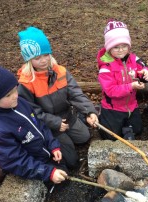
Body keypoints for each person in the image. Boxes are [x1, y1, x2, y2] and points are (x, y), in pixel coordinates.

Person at [0, 63, 68, 185]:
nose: (15, 96)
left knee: (69, 164)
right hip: (34, 165)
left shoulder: (20, 103)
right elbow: (15, 161)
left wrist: (53, 145)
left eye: (15, 89)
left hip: (47, 153)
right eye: (8, 95)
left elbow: (40, 125)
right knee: (61, 184)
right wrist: (47, 172)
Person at [17, 26, 98, 168]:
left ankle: (76, 122)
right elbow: (31, 112)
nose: (43, 60)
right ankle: (50, 141)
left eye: (46, 55)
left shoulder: (60, 71)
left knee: (84, 137)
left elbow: (76, 94)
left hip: (67, 116)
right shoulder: (26, 83)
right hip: (49, 125)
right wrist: (54, 123)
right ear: (29, 60)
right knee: (71, 161)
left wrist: (89, 111)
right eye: (37, 58)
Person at [96, 19, 148, 140]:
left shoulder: (134, 58)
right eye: (116, 47)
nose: (121, 50)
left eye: (124, 46)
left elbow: (147, 70)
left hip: (131, 105)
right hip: (112, 107)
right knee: (109, 136)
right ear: (108, 48)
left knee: (138, 129)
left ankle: (127, 126)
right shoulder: (106, 67)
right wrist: (131, 86)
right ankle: (100, 114)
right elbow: (111, 91)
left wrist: (146, 73)